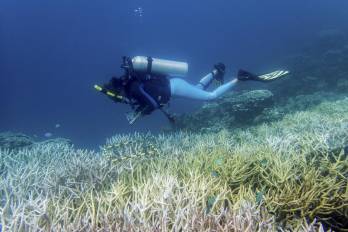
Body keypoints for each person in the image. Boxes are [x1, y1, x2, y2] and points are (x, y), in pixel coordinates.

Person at [95, 56, 289, 124]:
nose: (118, 100)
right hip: (174, 85)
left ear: (116, 90)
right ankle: (215, 72)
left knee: (211, 97)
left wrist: (143, 111)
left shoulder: (133, 88)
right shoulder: (132, 83)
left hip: (174, 88)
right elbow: (152, 97)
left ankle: (240, 78)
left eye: (116, 97)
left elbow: (153, 102)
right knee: (197, 89)